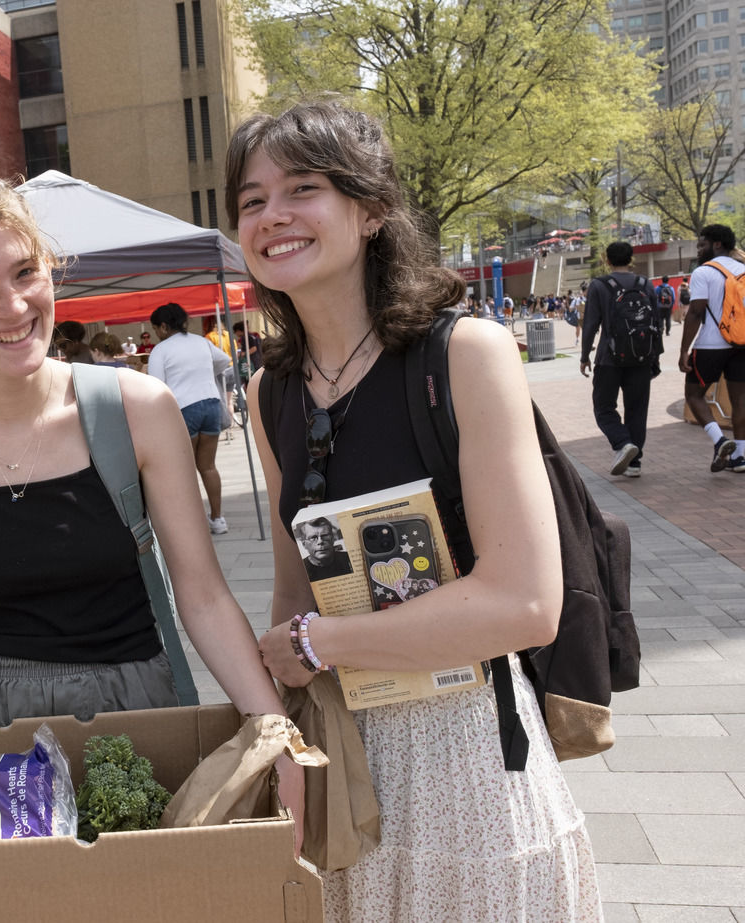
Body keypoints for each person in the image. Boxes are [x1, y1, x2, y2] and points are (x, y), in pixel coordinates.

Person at [0, 174, 306, 849]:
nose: (12, 305)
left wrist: (274, 732)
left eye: (24, 272)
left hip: (137, 720)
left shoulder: (137, 410)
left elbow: (205, 595)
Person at [230, 101, 599, 919]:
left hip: (467, 756)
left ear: (370, 211)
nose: (273, 216)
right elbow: (298, 590)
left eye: (303, 188)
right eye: (252, 201)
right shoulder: (270, 391)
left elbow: (525, 604)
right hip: (342, 766)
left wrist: (318, 643)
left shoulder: (463, 354)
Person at [147, 301, 233, 535]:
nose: (156, 333)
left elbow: (155, 386)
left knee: (184, 469)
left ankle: (193, 524)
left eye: (155, 329)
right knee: (208, 466)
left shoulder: (161, 350)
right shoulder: (201, 341)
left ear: (163, 327)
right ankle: (218, 518)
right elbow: (225, 361)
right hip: (212, 404)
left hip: (184, 409)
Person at [580, 241, 659, 478]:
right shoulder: (646, 284)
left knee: (603, 406)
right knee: (637, 408)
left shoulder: (599, 285)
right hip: (642, 356)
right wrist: (655, 357)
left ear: (607, 259)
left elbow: (591, 323)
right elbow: (656, 321)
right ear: (631, 259)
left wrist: (584, 356)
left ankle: (622, 442)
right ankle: (635, 464)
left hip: (609, 357)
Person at [679, 224, 745, 473]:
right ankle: (740, 457)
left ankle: (719, 440)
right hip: (742, 343)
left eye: (701, 244)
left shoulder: (703, 272)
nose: (698, 250)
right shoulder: (744, 269)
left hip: (710, 345)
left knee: (694, 395)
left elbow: (695, 311)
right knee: (740, 401)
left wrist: (684, 350)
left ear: (717, 244)